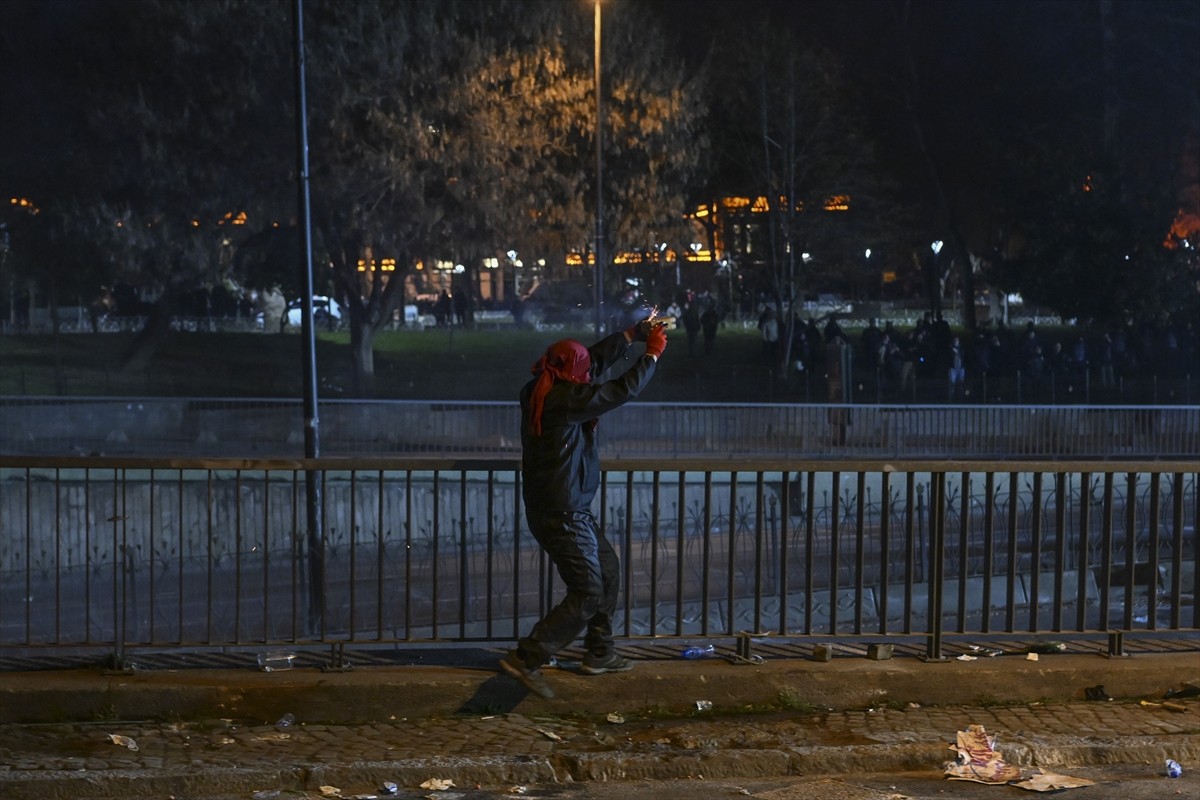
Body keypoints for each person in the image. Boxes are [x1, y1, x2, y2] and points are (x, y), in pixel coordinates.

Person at [499, 318, 669, 699]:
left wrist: (630, 336)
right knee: (588, 590)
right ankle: (526, 658)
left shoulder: (540, 389)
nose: (587, 373)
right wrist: (652, 353)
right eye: (582, 371)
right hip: (563, 512)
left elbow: (588, 361)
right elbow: (619, 389)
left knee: (607, 571)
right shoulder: (565, 401)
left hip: (566, 508)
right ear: (570, 374)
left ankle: (599, 652)